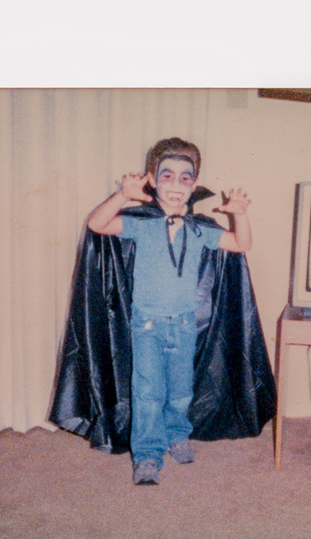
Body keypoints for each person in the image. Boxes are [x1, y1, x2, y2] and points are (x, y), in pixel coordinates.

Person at [86, 137, 253, 484]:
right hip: (146, 324)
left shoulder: (200, 228)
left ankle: (177, 434)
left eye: (185, 177)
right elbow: (97, 224)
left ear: (194, 183)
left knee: (180, 390)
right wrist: (123, 196)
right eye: (167, 175)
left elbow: (241, 244)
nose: (176, 185)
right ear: (153, 179)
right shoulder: (141, 223)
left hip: (184, 322)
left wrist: (240, 214)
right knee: (147, 392)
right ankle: (148, 455)